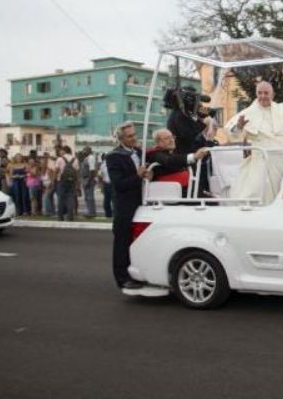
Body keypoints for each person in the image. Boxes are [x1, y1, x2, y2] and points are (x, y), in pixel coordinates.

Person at [224, 81, 283, 205]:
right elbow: (231, 133)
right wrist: (239, 127)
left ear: (273, 94)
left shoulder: (281, 112)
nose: (262, 96)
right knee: (258, 194)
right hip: (262, 160)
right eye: (259, 93)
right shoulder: (248, 113)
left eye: (266, 93)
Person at [106, 122, 151, 290]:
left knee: (138, 242)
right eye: (130, 136)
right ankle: (122, 278)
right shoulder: (113, 156)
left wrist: (148, 175)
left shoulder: (139, 152)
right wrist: (138, 176)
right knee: (122, 243)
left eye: (134, 135)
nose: (134, 138)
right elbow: (118, 185)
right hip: (124, 206)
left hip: (141, 203)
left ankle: (136, 274)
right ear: (121, 138)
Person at [146, 128, 210, 193]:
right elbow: (169, 161)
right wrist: (193, 157)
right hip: (171, 194)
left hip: (185, 192)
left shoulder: (172, 154)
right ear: (158, 142)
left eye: (172, 137)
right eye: (167, 138)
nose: (172, 140)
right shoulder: (156, 154)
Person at [55, 146, 79, 221]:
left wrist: (55, 179)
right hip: (71, 181)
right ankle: (70, 216)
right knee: (70, 198)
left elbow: (56, 170)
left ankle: (60, 216)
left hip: (61, 181)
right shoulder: (75, 159)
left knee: (61, 199)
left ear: (64, 151)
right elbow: (77, 171)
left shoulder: (60, 159)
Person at [80, 146, 97, 218]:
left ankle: (91, 213)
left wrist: (89, 181)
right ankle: (89, 211)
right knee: (87, 197)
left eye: (84, 151)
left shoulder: (91, 158)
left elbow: (92, 171)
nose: (83, 152)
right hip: (85, 178)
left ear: (88, 151)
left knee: (90, 197)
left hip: (88, 179)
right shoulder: (86, 158)